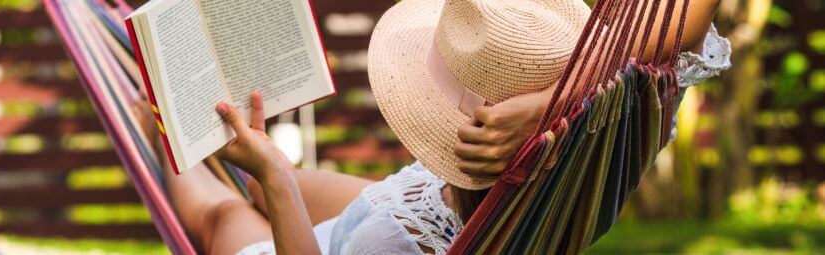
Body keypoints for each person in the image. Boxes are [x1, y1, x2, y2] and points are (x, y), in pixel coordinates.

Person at [133, 0, 731, 254]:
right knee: (267, 182)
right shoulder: (594, 158)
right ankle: (246, 165)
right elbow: (685, 27)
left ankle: (162, 137)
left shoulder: (391, 247)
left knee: (228, 214)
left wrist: (277, 180)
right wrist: (556, 101)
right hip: (420, 201)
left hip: (353, 241)